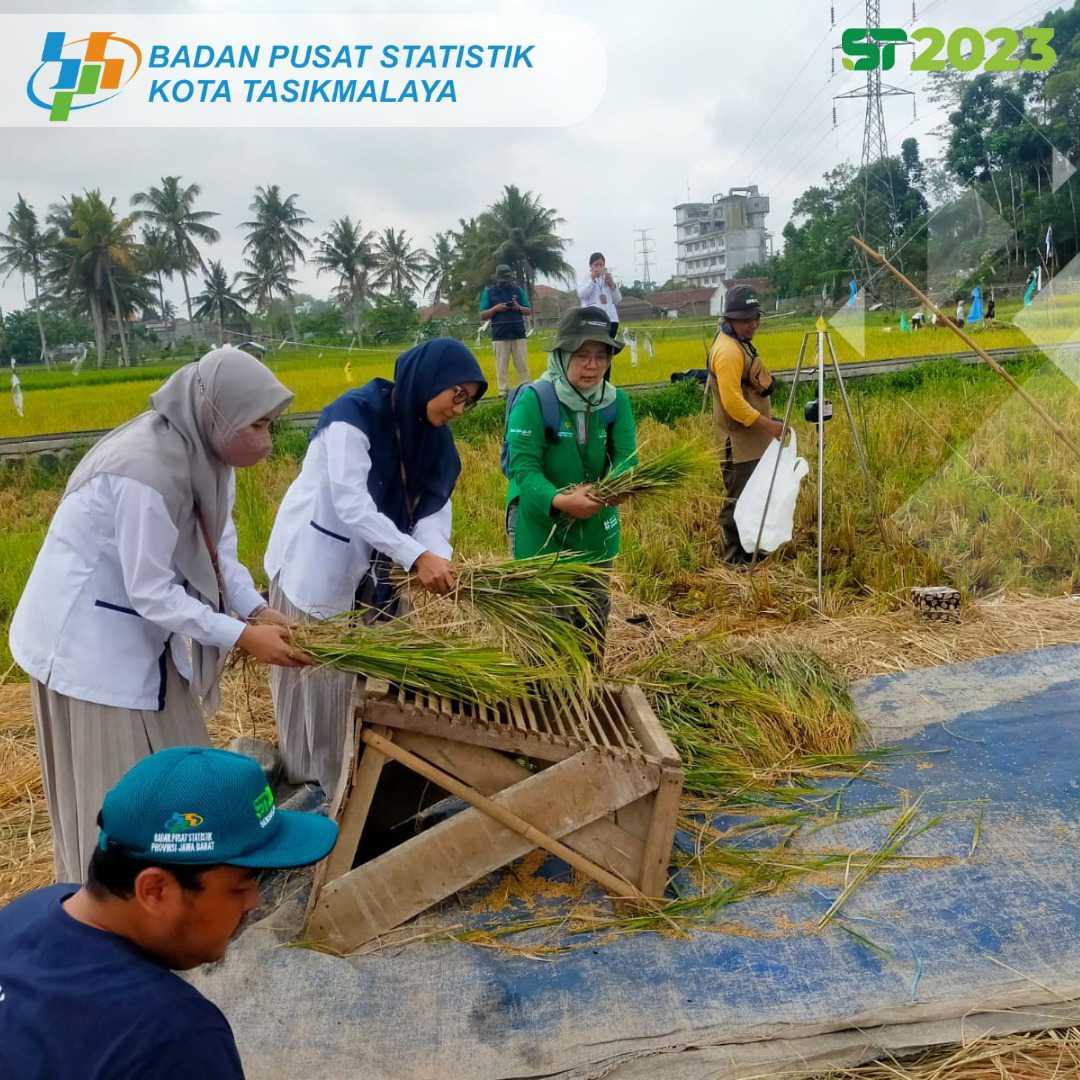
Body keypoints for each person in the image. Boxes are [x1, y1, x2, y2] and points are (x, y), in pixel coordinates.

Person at [8, 348, 305, 885]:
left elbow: (220, 557)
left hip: (143, 635)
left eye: (270, 424)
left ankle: (174, 889)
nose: (267, 438)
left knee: (173, 765)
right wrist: (242, 635)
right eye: (258, 424)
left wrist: (259, 609)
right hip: (89, 645)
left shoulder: (208, 456)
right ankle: (110, 907)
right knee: (115, 789)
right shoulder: (143, 471)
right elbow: (150, 591)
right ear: (220, 414)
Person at [0, 745, 338, 1080]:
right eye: (242, 884)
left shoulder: (25, 913)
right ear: (155, 890)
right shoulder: (173, 1040)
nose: (254, 901)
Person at [264, 339, 487, 798]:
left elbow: (431, 513)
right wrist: (415, 557)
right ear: (430, 380)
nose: (461, 407)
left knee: (389, 676)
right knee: (315, 683)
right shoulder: (354, 416)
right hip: (319, 564)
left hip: (380, 576)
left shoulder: (437, 443)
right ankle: (316, 792)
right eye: (457, 394)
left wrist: (436, 556)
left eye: (471, 399)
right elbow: (350, 504)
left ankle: (370, 785)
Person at [505, 306, 636, 648]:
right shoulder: (535, 400)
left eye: (600, 356)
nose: (592, 366)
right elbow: (524, 469)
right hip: (540, 520)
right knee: (547, 621)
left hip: (596, 518)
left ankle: (586, 689)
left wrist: (612, 489)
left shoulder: (615, 402)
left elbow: (626, 458)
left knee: (591, 615)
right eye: (581, 355)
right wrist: (561, 501)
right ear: (562, 355)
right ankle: (540, 695)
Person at [708, 285, 784, 566]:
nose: (752, 324)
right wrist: (769, 426)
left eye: (755, 318)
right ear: (729, 320)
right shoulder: (727, 351)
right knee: (738, 500)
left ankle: (755, 552)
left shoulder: (740, 342)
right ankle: (734, 560)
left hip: (754, 439)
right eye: (744, 319)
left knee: (757, 495)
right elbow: (733, 404)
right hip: (739, 442)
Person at [479, 263, 532, 395]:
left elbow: (528, 310)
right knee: (501, 367)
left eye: (507, 278)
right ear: (497, 278)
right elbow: (482, 315)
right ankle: (503, 392)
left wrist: (518, 307)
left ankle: (526, 390)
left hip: (518, 333)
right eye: (503, 279)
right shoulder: (489, 292)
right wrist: (495, 309)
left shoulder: (518, 290)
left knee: (523, 365)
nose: (505, 281)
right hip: (500, 334)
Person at [577, 251, 623, 337]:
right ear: (591, 266)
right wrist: (593, 281)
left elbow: (618, 300)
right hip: (594, 320)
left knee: (609, 348)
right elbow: (581, 294)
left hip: (612, 319)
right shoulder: (585, 278)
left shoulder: (608, 278)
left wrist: (612, 285)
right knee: (597, 347)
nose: (599, 267)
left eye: (601, 265)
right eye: (596, 265)